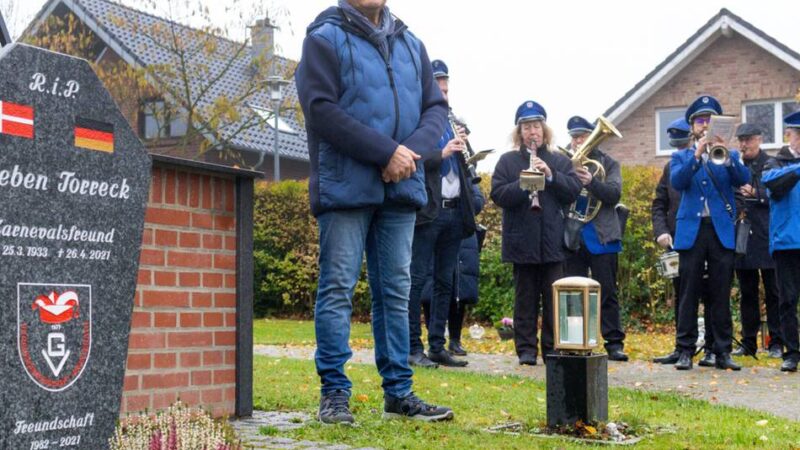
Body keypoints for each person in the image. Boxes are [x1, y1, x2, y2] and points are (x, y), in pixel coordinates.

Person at [295, 0, 453, 424]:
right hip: (346, 185)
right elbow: (321, 110)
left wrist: (408, 153)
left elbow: (436, 108)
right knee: (337, 289)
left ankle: (399, 393)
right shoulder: (323, 38)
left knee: (395, 292)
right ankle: (334, 393)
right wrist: (385, 152)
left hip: (400, 188)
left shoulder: (411, 43)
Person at [491, 101, 582, 366]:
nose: (533, 132)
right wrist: (524, 183)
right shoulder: (508, 162)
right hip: (522, 242)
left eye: (537, 126)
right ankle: (526, 351)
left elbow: (573, 190)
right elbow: (497, 194)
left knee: (554, 301)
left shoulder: (559, 160)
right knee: (525, 300)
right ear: (520, 132)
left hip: (552, 242)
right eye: (527, 127)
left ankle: (552, 348)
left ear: (544, 130)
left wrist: (551, 176)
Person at [408, 59, 480, 369]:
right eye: (439, 89)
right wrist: (444, 152)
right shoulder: (418, 121)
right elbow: (413, 159)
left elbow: (466, 168)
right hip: (428, 212)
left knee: (445, 283)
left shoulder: (452, 122)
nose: (444, 95)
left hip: (454, 213)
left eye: (447, 90)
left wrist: (466, 149)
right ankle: (413, 347)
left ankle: (438, 345)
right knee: (416, 280)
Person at [670, 95, 750, 371]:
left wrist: (725, 156)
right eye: (700, 121)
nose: (704, 125)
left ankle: (722, 350)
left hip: (720, 231)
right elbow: (678, 181)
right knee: (688, 292)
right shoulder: (681, 155)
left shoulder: (731, 155)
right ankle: (684, 349)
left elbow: (743, 180)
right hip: (692, 231)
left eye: (709, 120)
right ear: (692, 126)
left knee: (720, 291)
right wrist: (697, 154)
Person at [562, 116, 628, 361]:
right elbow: (559, 193)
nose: (579, 141)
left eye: (583, 136)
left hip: (601, 236)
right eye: (575, 137)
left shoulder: (608, 164)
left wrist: (591, 182)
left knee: (608, 291)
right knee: (573, 292)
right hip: (574, 235)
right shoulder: (564, 162)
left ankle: (614, 343)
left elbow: (613, 194)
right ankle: (574, 339)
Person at [651, 118, 716, 365]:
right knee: (683, 294)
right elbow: (659, 203)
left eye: (681, 141)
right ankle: (681, 347)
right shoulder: (671, 167)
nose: (678, 148)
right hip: (678, 240)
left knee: (711, 293)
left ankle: (711, 347)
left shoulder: (706, 163)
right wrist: (661, 231)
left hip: (706, 237)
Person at [731, 123, 782, 359]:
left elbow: (775, 195)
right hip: (744, 236)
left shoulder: (770, 163)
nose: (744, 144)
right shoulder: (735, 164)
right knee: (747, 292)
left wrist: (756, 193)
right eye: (741, 140)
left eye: (748, 139)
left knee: (774, 291)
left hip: (767, 234)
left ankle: (776, 342)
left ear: (759, 140)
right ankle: (748, 342)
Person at [762, 110, 800, 372]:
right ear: (790, 136)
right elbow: (771, 184)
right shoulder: (776, 163)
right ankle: (792, 353)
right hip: (787, 243)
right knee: (787, 300)